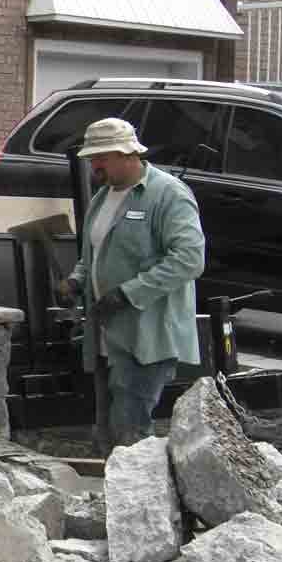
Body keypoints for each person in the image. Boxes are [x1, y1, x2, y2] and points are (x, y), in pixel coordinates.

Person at [58, 117, 206, 453]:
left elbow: (189, 260)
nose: (94, 165)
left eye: (101, 158)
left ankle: (141, 498)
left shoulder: (168, 195)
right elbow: (94, 254)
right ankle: (113, 496)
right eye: (91, 159)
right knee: (107, 430)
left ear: (128, 154)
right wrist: (76, 280)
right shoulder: (103, 197)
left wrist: (128, 294)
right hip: (105, 333)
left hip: (147, 335)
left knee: (131, 429)